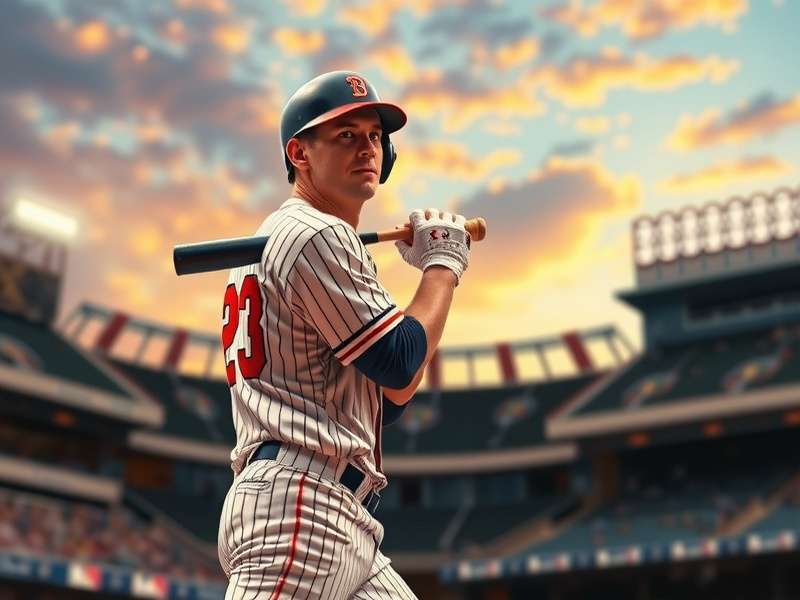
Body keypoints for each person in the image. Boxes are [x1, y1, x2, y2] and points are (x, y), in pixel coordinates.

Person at [217, 71, 471, 599]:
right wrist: (441, 267)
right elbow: (401, 359)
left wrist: (430, 276)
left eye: (375, 136)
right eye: (345, 136)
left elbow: (392, 395)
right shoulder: (315, 231)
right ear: (299, 153)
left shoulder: (294, 235)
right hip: (299, 507)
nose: (367, 149)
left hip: (337, 511)